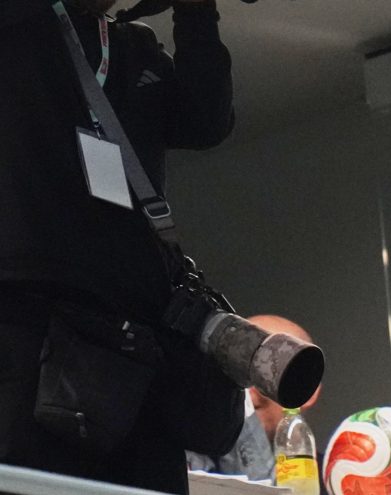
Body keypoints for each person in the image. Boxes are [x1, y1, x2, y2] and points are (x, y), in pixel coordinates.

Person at [0, 0, 240, 493]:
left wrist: (196, 11)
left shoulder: (135, 46)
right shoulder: (20, 29)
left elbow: (206, 121)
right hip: (33, 326)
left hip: (139, 330)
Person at [187, 315, 323, 482]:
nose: (245, 389)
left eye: (266, 371)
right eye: (230, 366)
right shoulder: (190, 460)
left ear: (308, 391)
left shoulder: (336, 478)